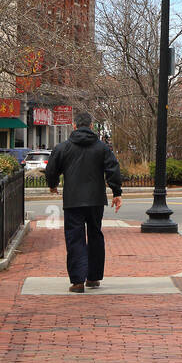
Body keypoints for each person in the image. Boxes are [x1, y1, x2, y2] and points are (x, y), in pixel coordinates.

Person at [45, 110, 123, 292]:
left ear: (74, 126)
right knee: (95, 235)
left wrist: (53, 185)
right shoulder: (102, 148)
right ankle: (94, 278)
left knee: (75, 238)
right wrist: (116, 192)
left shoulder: (63, 148)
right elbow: (113, 169)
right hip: (96, 199)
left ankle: (78, 281)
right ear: (90, 126)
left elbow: (51, 170)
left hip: (73, 200)